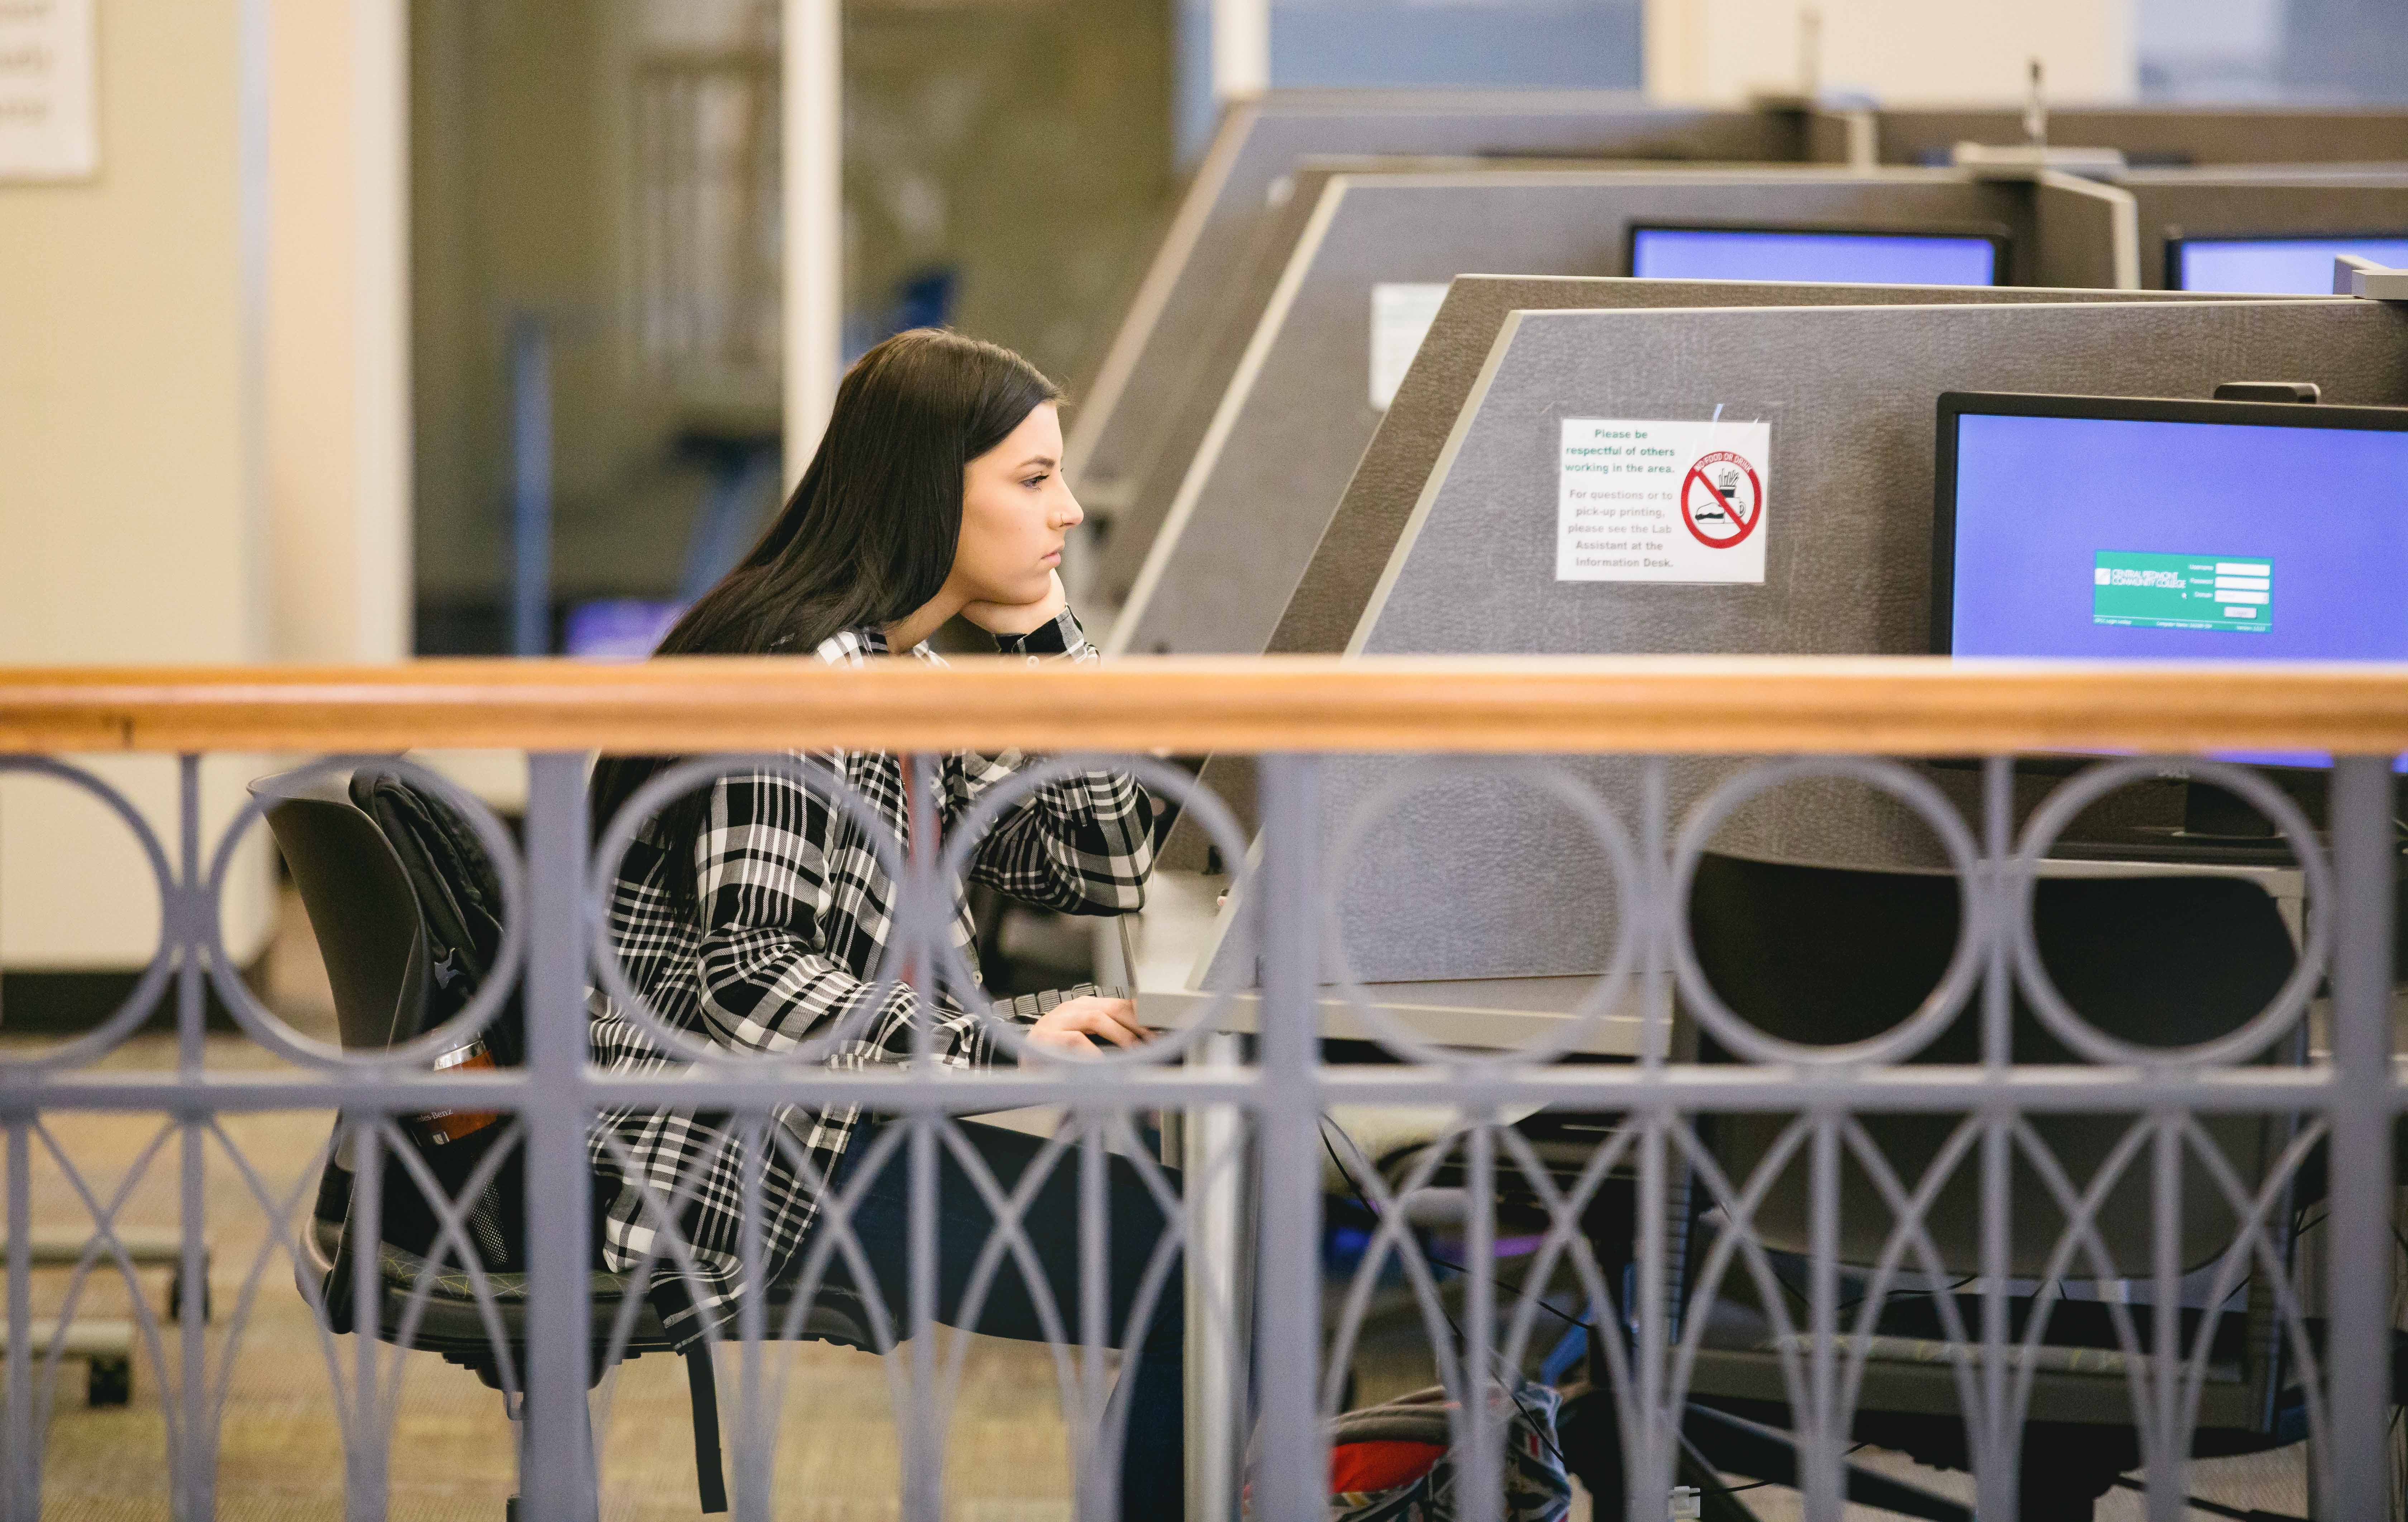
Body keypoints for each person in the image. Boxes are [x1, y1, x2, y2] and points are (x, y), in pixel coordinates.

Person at [586, 329, 1179, 1516]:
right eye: (1030, 479)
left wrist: (1052, 642)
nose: (1066, 511)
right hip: (737, 1150)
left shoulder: (889, 675)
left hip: (824, 1116)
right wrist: (1002, 1037)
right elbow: (748, 983)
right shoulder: (802, 684)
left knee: (1201, 1246)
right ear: (927, 491)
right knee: (1202, 1270)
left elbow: (1103, 863)